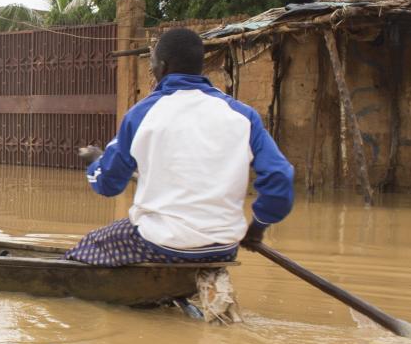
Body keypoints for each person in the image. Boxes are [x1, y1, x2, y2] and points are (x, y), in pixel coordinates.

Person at [65, 27, 294, 266]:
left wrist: (95, 162)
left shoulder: (141, 114)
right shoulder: (243, 115)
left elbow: (108, 184)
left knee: (87, 246)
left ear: (161, 67)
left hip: (160, 243)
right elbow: (280, 177)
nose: (152, 69)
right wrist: (257, 228)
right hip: (224, 247)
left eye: (152, 63)